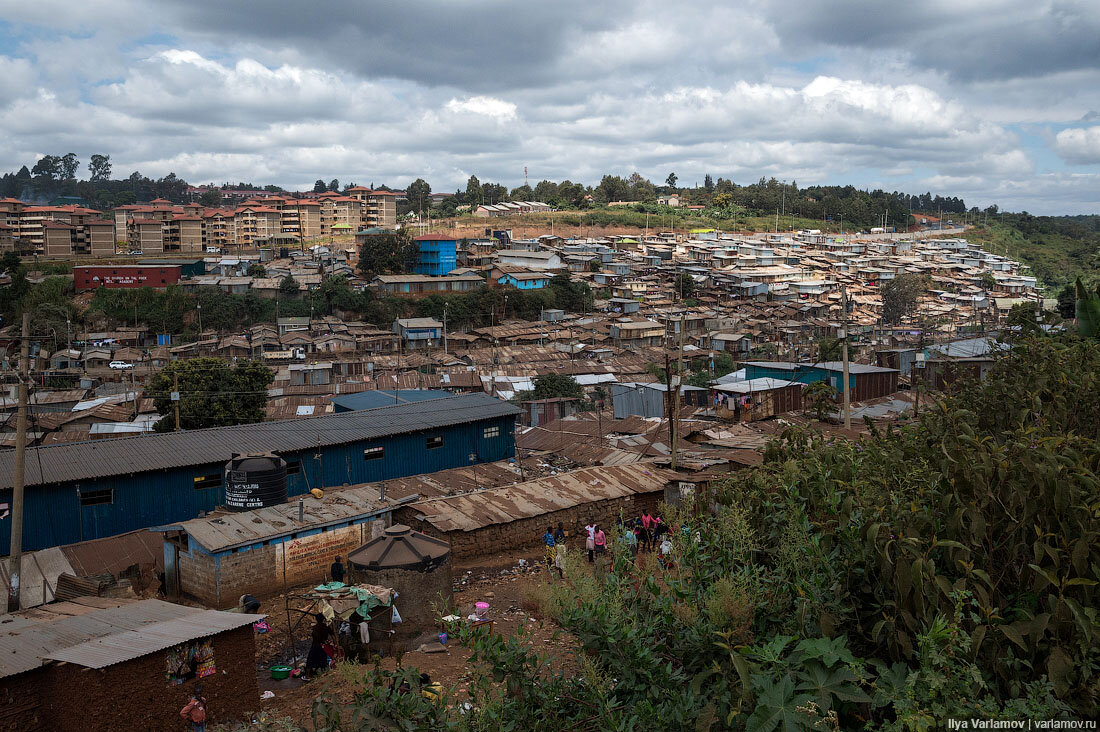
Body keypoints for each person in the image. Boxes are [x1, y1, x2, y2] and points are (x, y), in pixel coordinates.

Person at [305, 613, 331, 679]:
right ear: (323, 620)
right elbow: (333, 635)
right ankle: (323, 674)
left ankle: (307, 675)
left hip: (315, 646)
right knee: (323, 660)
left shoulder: (315, 628)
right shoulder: (326, 627)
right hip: (323, 646)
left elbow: (315, 636)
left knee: (310, 660)